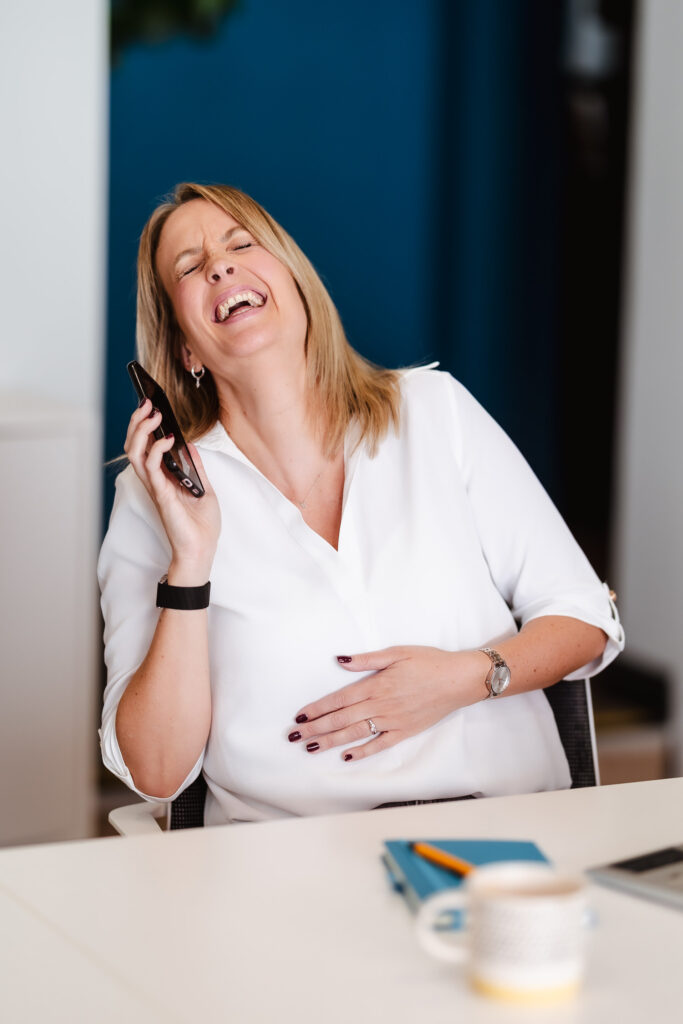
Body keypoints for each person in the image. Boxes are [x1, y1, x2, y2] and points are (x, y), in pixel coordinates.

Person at [99, 182, 624, 825]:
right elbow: (155, 772)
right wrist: (191, 561)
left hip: (507, 833)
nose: (219, 264)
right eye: (189, 265)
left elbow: (583, 616)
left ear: (296, 286)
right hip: (289, 865)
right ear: (185, 348)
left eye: (242, 242)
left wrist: (463, 679)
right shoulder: (155, 492)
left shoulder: (435, 413)